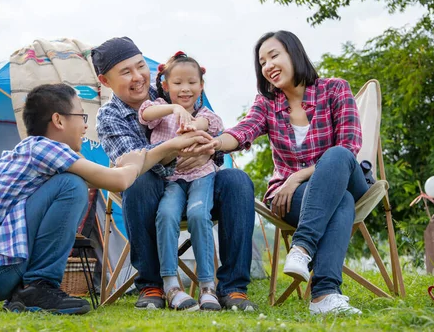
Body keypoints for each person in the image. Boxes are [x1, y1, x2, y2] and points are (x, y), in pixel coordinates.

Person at [0, 83, 207, 315]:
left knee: (72, 181)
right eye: (81, 116)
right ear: (59, 120)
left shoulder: (39, 152)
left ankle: (26, 292)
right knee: (72, 186)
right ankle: (40, 285)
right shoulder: (45, 148)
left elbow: (115, 175)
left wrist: (167, 147)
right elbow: (120, 180)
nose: (85, 126)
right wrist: (147, 156)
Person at [190, 30, 366, 315]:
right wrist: (215, 142)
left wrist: (296, 177)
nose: (268, 66)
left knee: (338, 155)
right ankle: (324, 296)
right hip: (291, 198)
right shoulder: (267, 103)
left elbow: (349, 146)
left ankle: (302, 248)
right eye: (262, 62)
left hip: (342, 176)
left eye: (274, 55)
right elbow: (243, 131)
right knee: (341, 201)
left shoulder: (335, 89)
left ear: (294, 53)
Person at [93, 37, 256, 311]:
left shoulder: (172, 89)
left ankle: (233, 288)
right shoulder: (110, 116)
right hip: (150, 195)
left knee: (237, 180)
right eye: (125, 72)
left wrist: (206, 150)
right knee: (140, 179)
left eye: (140, 66)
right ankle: (152, 285)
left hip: (199, 185)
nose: (137, 77)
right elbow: (133, 163)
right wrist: (175, 147)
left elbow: (210, 130)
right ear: (105, 81)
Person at [138, 51, 224, 311]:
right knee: (165, 215)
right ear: (165, 86)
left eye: (191, 83)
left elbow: (213, 123)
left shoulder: (206, 114)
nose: (185, 89)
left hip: (201, 178)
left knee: (199, 214)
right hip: (172, 181)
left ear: (201, 86)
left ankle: (208, 286)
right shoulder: (159, 112)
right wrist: (175, 109)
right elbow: (145, 113)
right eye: (177, 83)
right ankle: (170, 284)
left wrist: (193, 121)